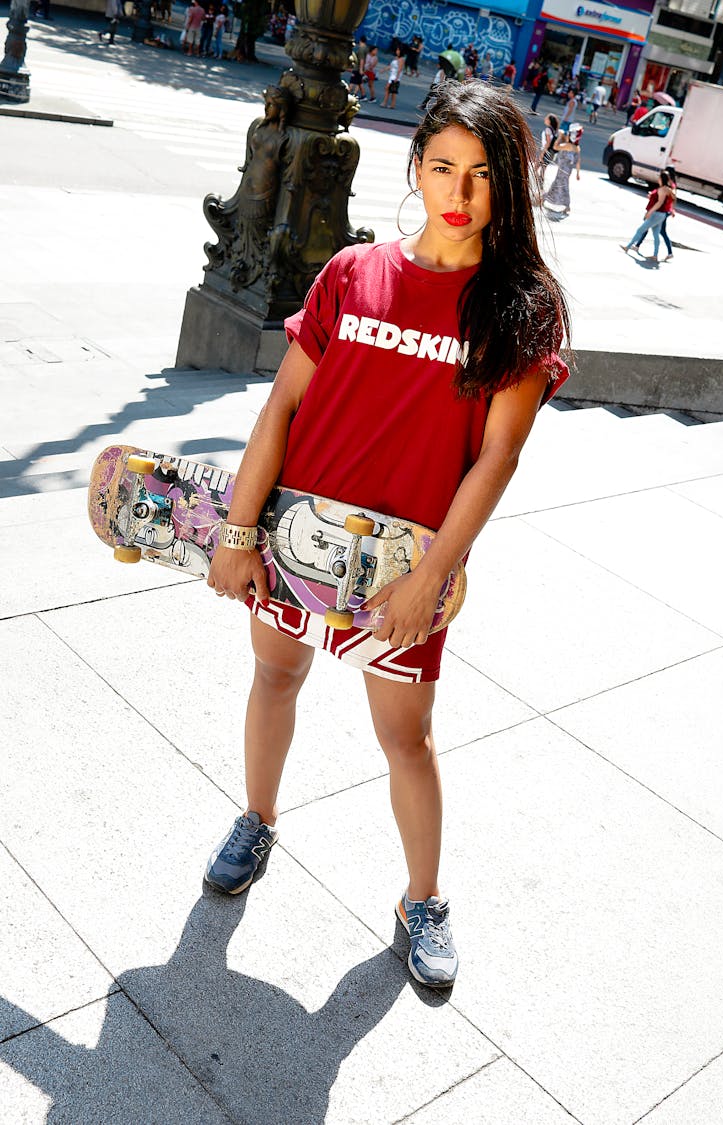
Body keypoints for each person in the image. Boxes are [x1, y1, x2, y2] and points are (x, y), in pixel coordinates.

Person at [203, 81, 570, 991]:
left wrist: (432, 580)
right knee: (274, 674)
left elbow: (496, 460)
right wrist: (239, 530)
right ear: (414, 168)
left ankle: (422, 899)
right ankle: (257, 816)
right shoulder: (352, 273)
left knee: (406, 739)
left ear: (511, 187)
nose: (460, 190)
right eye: (442, 166)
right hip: (294, 538)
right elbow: (283, 403)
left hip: (404, 567)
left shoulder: (519, 308)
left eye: (484, 174)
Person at [625, 171, 676, 261]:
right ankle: (655, 255)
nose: (658, 179)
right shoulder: (667, 189)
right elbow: (671, 199)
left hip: (657, 214)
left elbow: (660, 202)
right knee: (656, 234)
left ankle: (628, 247)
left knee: (640, 230)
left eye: (659, 177)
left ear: (661, 179)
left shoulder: (662, 189)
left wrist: (650, 212)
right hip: (662, 214)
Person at [542, 121, 582, 215]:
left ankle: (566, 205)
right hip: (567, 171)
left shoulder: (567, 146)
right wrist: (577, 173)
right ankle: (545, 199)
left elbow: (555, 147)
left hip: (562, 170)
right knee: (557, 185)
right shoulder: (577, 148)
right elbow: (578, 161)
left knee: (562, 187)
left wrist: (560, 136)